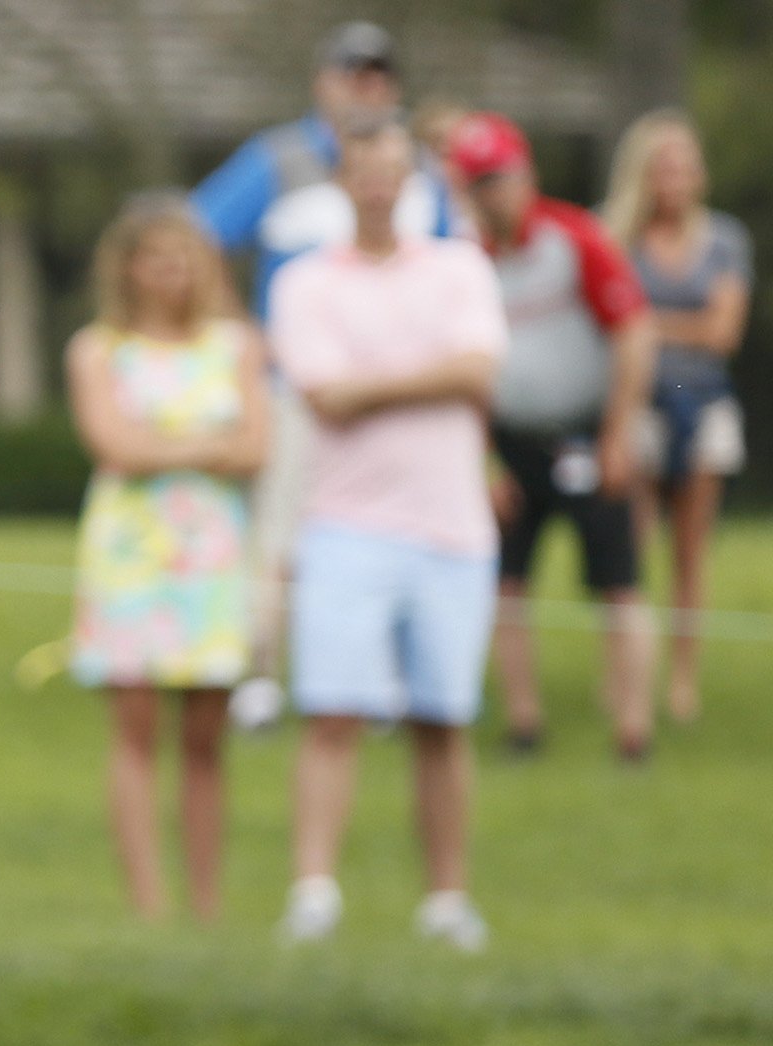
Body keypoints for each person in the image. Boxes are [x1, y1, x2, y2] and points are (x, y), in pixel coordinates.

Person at [268, 121, 508, 952]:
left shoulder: (459, 268)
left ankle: (446, 901)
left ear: (415, 183)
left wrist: (375, 385)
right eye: (364, 173)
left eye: (394, 174)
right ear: (342, 182)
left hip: (452, 527)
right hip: (347, 526)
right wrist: (427, 377)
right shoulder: (305, 283)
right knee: (332, 712)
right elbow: (324, 396)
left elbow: (477, 371)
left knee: (442, 719)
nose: (379, 187)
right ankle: (313, 894)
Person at [191, 22, 455, 731]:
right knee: (281, 533)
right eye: (351, 72)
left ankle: (383, 680)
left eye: (377, 74)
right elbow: (197, 236)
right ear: (323, 81)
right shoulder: (277, 159)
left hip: (403, 392)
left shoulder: (425, 169)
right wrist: (244, 333)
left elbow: (453, 265)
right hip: (299, 387)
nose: (364, 86)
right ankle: (261, 676)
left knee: (391, 531)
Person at [66, 195, 266, 923]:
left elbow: (255, 448)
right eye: (155, 259)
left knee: (207, 731)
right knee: (136, 724)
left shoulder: (237, 344)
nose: (170, 274)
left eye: (183, 259)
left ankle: (206, 904)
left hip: (210, 554)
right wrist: (206, 445)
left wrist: (164, 448)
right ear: (127, 269)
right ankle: (149, 904)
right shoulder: (98, 349)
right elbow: (116, 447)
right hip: (131, 556)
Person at [448, 111, 659, 761]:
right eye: (478, 181)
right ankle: (524, 723)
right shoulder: (464, 262)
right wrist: (480, 463)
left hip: (590, 435)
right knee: (506, 585)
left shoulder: (576, 239)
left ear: (526, 172)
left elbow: (633, 334)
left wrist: (619, 434)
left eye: (500, 177)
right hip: (512, 443)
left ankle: (632, 730)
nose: (493, 193)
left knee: (617, 585)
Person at [602, 109, 752, 725]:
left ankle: (683, 680)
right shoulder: (614, 236)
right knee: (629, 550)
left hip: (704, 402)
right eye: (664, 164)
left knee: (690, 551)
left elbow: (723, 333)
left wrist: (644, 325)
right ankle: (628, 678)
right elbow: (607, 323)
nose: (676, 176)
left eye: (685, 164)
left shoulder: (723, 239)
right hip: (637, 405)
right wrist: (654, 331)